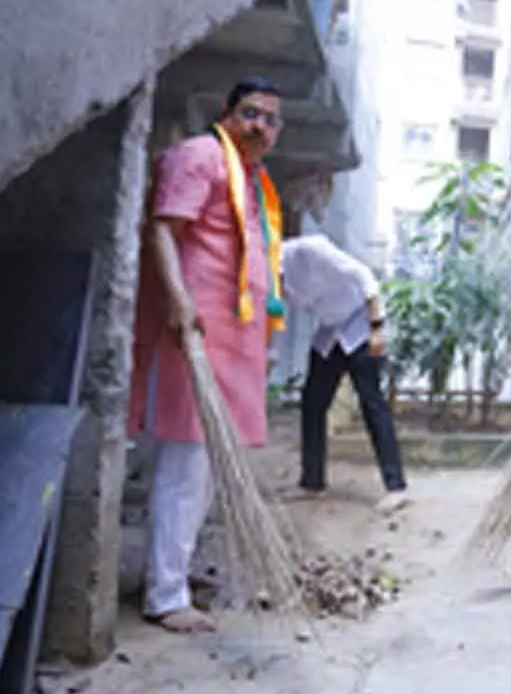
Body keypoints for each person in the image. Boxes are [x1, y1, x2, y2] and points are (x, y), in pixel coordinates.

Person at [127, 76, 288, 634]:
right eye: (251, 113)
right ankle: (165, 595)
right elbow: (164, 232)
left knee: (212, 466)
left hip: (235, 340)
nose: (260, 126)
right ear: (227, 113)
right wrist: (178, 300)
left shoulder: (251, 178)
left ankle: (177, 570)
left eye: (271, 119)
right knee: (186, 464)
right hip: (194, 332)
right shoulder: (200, 156)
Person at [280, 234, 409, 514]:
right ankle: (312, 483)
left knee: (372, 404)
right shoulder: (273, 280)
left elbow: (364, 277)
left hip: (361, 325)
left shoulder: (308, 250)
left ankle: (396, 487)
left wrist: (377, 328)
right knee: (313, 403)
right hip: (330, 331)